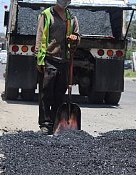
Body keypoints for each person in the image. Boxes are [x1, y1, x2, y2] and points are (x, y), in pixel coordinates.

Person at [35, 0, 80, 135]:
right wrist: (40, 59)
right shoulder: (46, 15)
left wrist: (75, 38)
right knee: (46, 94)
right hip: (49, 58)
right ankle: (45, 124)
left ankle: (55, 123)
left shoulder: (71, 18)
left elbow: (78, 37)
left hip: (64, 61)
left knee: (59, 94)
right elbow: (40, 36)